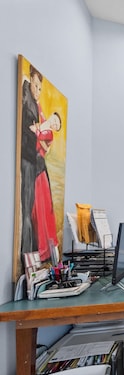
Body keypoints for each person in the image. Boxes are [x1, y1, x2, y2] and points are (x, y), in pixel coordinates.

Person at [20, 65, 45, 256]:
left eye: (40, 88)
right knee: (27, 210)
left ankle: (32, 252)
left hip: (33, 160)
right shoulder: (25, 99)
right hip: (27, 160)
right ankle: (27, 253)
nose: (37, 91)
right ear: (31, 81)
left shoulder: (35, 104)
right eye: (36, 86)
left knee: (33, 210)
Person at [31, 112, 62, 260]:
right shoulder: (41, 117)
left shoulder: (49, 134)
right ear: (52, 116)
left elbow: (42, 143)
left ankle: (45, 248)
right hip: (34, 164)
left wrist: (37, 130)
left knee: (44, 205)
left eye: (57, 126)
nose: (54, 124)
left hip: (39, 166)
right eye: (55, 121)